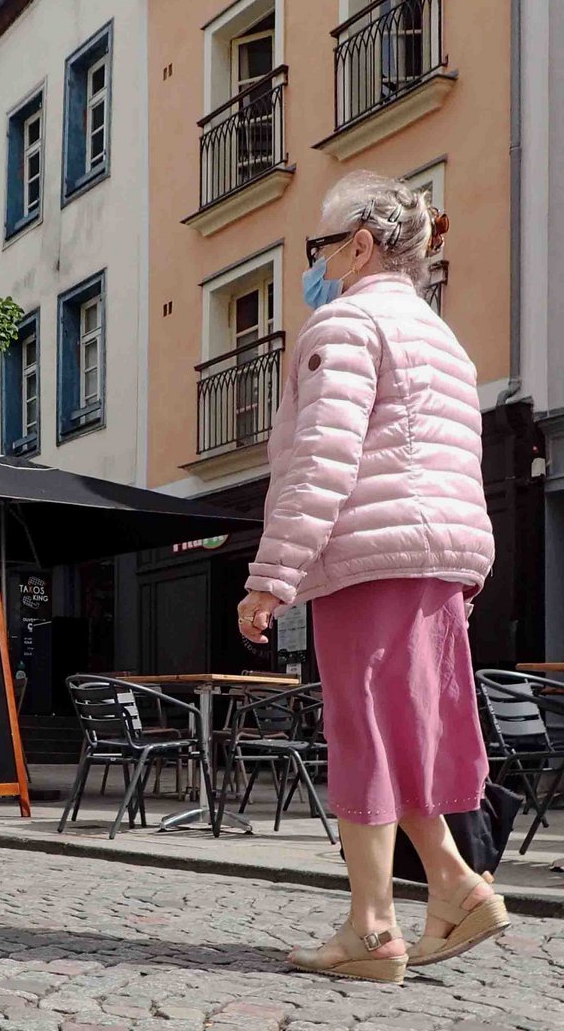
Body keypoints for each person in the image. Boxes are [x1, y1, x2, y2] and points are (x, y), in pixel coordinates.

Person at [238, 172, 507, 984]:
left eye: (319, 246)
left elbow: (322, 462)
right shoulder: (441, 339)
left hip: (369, 555)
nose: (314, 264)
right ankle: (454, 886)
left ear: (358, 245)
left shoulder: (345, 325)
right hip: (439, 557)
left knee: (363, 736)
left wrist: (272, 575)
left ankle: (373, 928)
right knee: (400, 735)